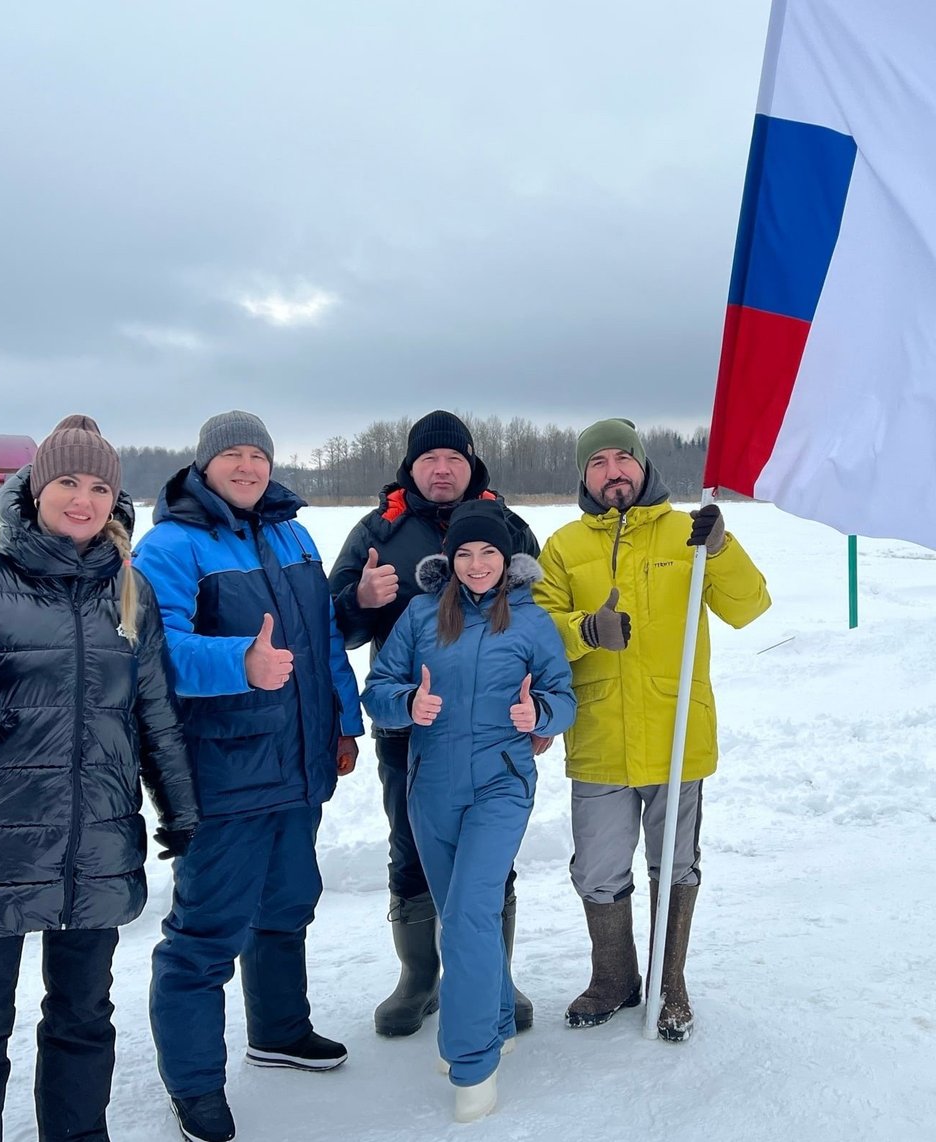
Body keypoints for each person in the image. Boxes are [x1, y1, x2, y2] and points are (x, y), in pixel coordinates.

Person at [0, 415, 199, 1142]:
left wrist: (181, 809)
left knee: (84, 1020)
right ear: (36, 490)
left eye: (98, 486)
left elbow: (155, 716)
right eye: (67, 483)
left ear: (115, 499)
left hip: (96, 845)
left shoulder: (129, 592)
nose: (82, 500)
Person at [134, 411, 364, 1142]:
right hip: (226, 768)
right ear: (203, 465)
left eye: (256, 454)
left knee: (289, 902)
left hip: (299, 759)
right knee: (205, 934)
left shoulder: (292, 533)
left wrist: (343, 720)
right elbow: (155, 649)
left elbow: (324, 634)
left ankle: (279, 1032)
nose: (246, 466)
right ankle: (195, 1086)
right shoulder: (169, 545)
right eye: (230, 454)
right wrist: (239, 663)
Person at [533, 418, 770, 1041]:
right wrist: (584, 630)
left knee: (676, 865)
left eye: (623, 459)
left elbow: (749, 608)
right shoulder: (562, 547)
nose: (613, 471)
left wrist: (720, 550)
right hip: (601, 739)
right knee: (598, 869)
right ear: (583, 475)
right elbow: (537, 633)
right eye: (598, 462)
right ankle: (613, 979)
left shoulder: (690, 534)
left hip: (676, 733)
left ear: (642, 466)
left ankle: (671, 984)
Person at [327, 411, 541, 1037]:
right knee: (411, 849)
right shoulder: (378, 530)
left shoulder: (511, 526)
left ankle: (493, 975)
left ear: (473, 464)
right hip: (410, 730)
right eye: (429, 460)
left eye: (454, 458)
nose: (442, 470)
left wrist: (544, 711)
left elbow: (540, 620)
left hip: (498, 731)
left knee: (489, 855)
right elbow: (334, 628)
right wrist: (359, 600)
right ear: (411, 468)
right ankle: (419, 979)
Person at [361, 501, 575, 1122]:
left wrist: (540, 716)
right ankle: (498, 1017)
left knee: (468, 914)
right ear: (449, 561)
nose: (477, 564)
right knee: (460, 909)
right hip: (430, 788)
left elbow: (564, 696)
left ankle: (472, 1060)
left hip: (501, 786)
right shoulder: (423, 615)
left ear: (506, 561)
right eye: (465, 553)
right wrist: (407, 705)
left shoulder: (531, 622)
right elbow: (379, 689)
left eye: (488, 553)